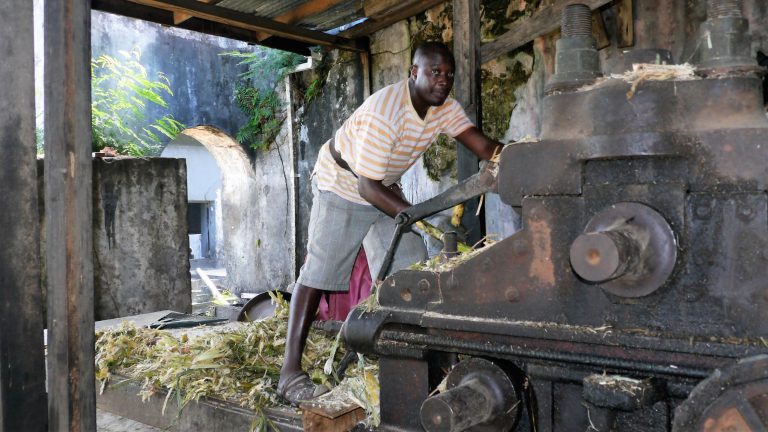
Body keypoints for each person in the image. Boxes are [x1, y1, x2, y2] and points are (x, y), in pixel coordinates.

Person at [276, 41, 504, 405]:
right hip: (345, 185)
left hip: (380, 186)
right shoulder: (387, 112)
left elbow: (482, 145)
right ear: (414, 73)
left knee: (409, 269)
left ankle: (409, 361)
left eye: (448, 74)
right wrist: (416, 215)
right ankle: (289, 374)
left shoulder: (443, 108)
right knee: (319, 272)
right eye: (434, 72)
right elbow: (366, 186)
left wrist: (514, 155)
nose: (442, 81)